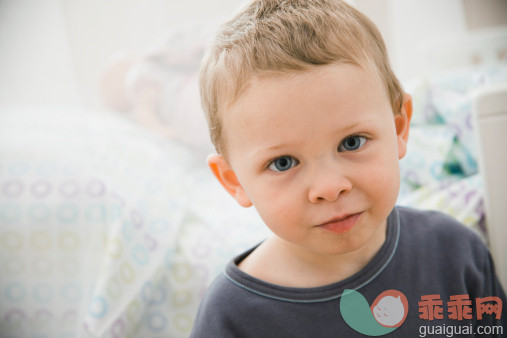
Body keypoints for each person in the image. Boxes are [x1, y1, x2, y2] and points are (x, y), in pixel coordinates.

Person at [191, 0, 506, 336]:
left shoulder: (454, 253)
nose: (329, 187)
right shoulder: (230, 318)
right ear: (233, 180)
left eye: (352, 142)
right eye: (283, 163)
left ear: (399, 128)